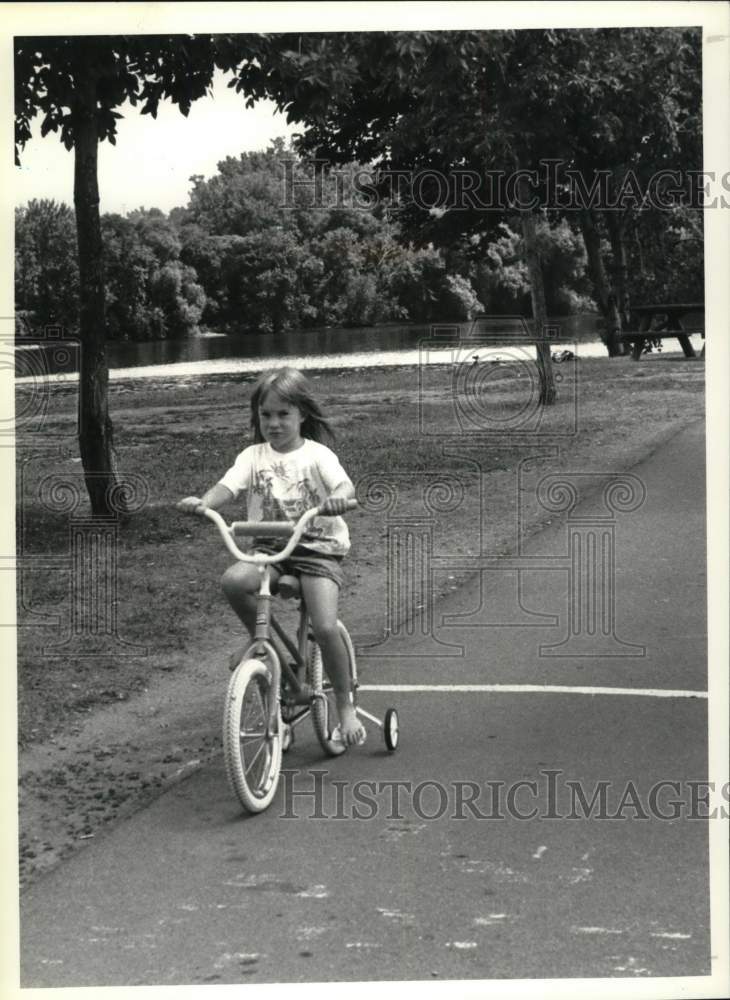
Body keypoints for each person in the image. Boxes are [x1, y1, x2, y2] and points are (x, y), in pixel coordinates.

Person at [177, 367, 365, 746]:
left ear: (302, 415)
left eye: (283, 414)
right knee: (234, 581)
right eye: (266, 415)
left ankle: (345, 708)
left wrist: (337, 498)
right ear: (256, 417)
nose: (274, 423)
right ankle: (269, 651)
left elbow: (343, 484)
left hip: (316, 549)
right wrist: (204, 502)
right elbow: (227, 487)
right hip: (270, 550)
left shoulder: (317, 455)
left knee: (326, 627)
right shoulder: (252, 456)